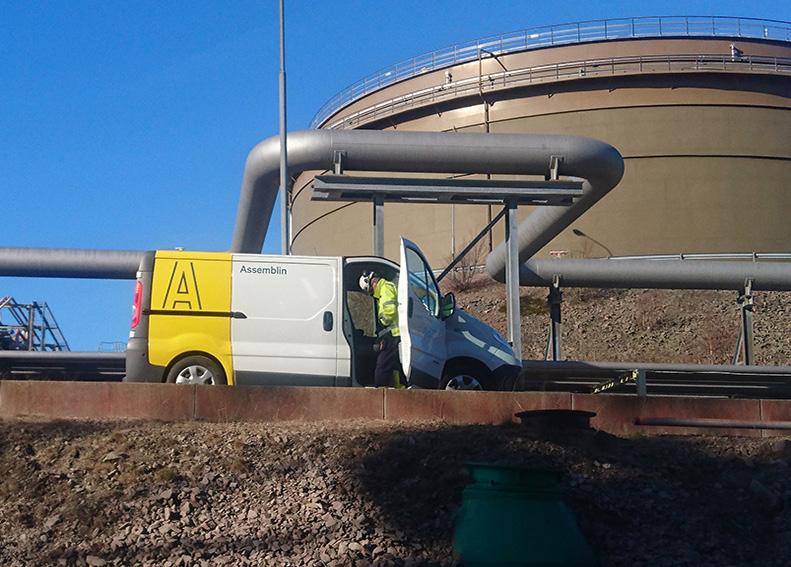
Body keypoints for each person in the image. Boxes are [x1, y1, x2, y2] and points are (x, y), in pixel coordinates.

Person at [359, 271, 405, 388]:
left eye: (370, 290)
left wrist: (382, 322)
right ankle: (398, 388)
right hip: (394, 334)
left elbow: (390, 311)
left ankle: (380, 393)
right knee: (394, 365)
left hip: (393, 334)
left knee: (382, 365)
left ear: (373, 283)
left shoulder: (385, 287)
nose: (371, 293)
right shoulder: (386, 288)